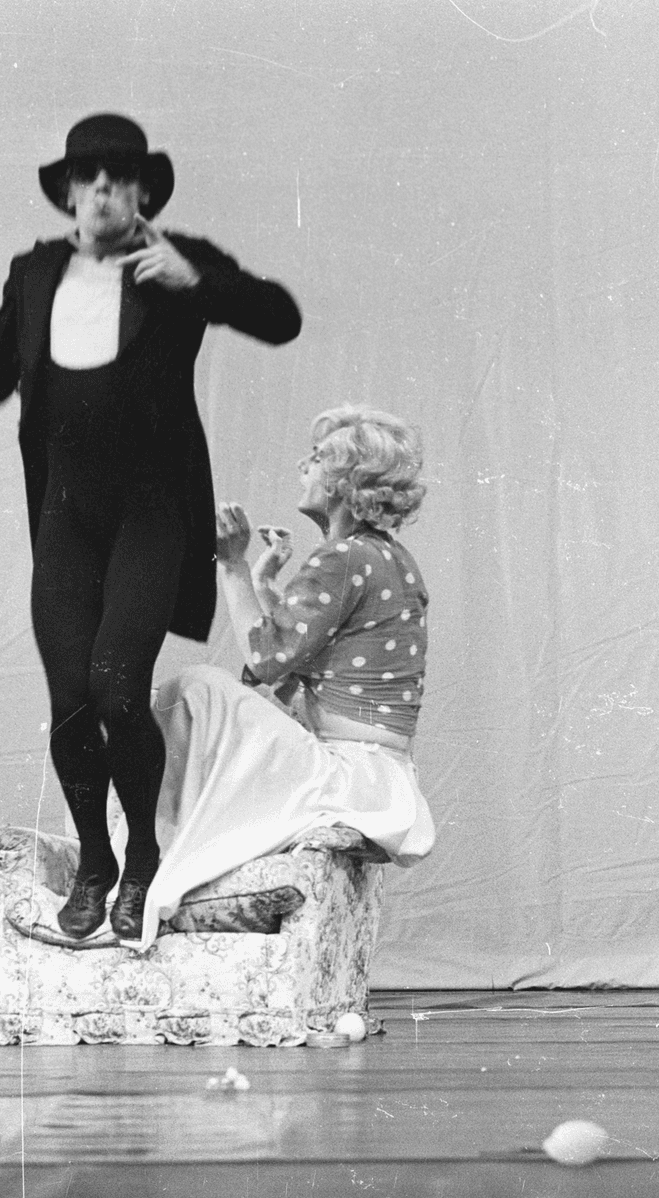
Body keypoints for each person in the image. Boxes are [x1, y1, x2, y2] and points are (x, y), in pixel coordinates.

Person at [0, 113, 302, 941]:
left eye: (120, 177)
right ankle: (97, 859)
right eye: (88, 176)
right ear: (67, 192)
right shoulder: (34, 272)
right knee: (69, 702)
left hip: (153, 511)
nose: (102, 188)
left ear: (141, 194)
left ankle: (143, 864)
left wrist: (195, 282)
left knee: (116, 687)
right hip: (66, 513)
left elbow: (282, 317)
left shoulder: (179, 263)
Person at [126, 403, 435, 950]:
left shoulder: (342, 558)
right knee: (202, 703)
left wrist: (234, 565)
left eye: (317, 459)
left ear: (345, 482)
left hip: (343, 773)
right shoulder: (385, 557)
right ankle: (159, 845)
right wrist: (268, 579)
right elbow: (301, 663)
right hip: (377, 777)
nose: (302, 465)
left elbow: (267, 660)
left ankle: (150, 854)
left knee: (191, 689)